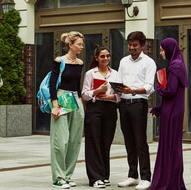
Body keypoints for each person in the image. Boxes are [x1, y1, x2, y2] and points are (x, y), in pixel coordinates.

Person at [116, 31, 156, 190]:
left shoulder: (149, 62)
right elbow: (119, 80)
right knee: (128, 141)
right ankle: (132, 175)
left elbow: (149, 87)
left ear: (142, 45)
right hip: (124, 104)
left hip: (138, 103)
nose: (131, 48)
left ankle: (146, 177)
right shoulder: (123, 61)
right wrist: (117, 88)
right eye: (129, 45)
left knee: (140, 141)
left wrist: (132, 91)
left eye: (134, 45)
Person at [150, 38, 188, 190]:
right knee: (172, 147)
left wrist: (158, 87)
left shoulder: (174, 66)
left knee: (169, 147)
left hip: (172, 114)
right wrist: (159, 108)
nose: (160, 53)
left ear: (169, 49)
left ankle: (168, 182)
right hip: (174, 111)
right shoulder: (179, 64)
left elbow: (170, 91)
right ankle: (172, 181)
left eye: (161, 49)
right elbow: (175, 95)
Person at [49, 31, 85, 189]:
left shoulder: (80, 63)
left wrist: (81, 103)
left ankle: (68, 175)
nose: (81, 47)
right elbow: (52, 83)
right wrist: (55, 105)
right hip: (61, 98)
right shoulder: (59, 60)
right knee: (60, 140)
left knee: (74, 141)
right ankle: (58, 177)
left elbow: (78, 84)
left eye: (82, 44)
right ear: (70, 45)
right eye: (79, 44)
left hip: (76, 99)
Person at [82, 45, 120, 188]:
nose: (105, 58)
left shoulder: (115, 74)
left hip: (110, 109)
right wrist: (97, 91)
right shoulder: (91, 73)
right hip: (94, 109)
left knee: (106, 143)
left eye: (108, 56)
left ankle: (104, 175)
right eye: (102, 56)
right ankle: (95, 178)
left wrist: (112, 96)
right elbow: (84, 94)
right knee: (93, 143)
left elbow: (120, 94)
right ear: (97, 58)